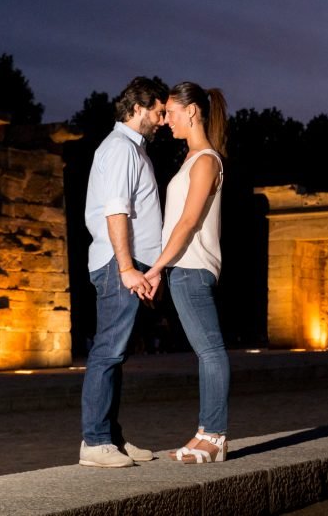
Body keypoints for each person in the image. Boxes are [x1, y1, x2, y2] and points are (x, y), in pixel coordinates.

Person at [79, 76, 167, 468]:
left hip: (127, 265)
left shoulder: (133, 149)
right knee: (108, 350)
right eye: (159, 111)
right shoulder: (120, 149)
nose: (163, 120)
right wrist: (129, 267)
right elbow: (116, 210)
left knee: (115, 353)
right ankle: (95, 442)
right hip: (119, 265)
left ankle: (110, 438)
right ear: (138, 108)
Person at [144, 81, 230, 464]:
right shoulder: (192, 158)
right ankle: (203, 432)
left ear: (192, 111)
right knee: (204, 352)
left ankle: (215, 436)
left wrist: (156, 269)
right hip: (183, 267)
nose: (165, 121)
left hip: (192, 267)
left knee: (211, 352)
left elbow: (189, 221)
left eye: (171, 113)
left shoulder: (207, 159)